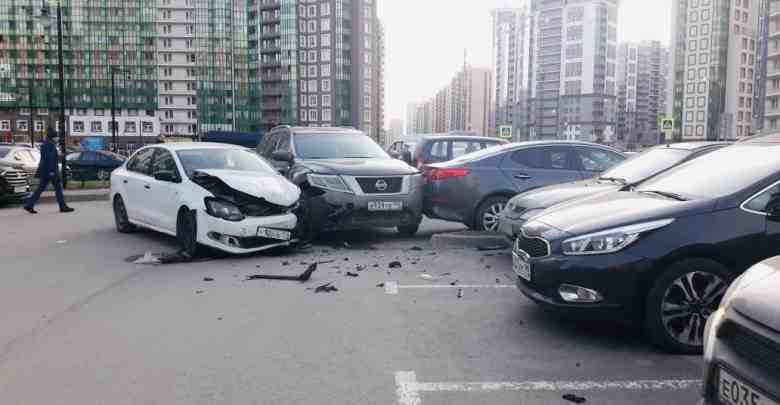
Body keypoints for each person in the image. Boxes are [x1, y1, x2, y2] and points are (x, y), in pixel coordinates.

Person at [24, 130, 74, 214]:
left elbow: (50, 157)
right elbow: (49, 158)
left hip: (46, 171)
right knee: (58, 189)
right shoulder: (49, 145)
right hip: (51, 171)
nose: (57, 138)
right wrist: (51, 171)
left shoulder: (47, 144)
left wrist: (60, 156)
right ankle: (63, 207)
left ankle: (29, 205)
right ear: (53, 137)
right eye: (56, 137)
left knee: (40, 189)